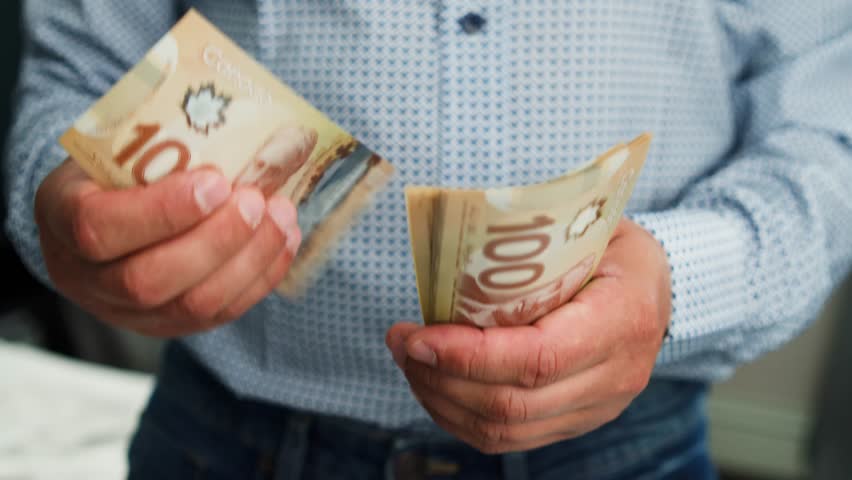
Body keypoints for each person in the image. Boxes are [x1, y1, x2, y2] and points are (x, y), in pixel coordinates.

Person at [5, 1, 852, 479]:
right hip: (225, 442)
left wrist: (676, 279)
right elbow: (78, 72)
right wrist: (64, 205)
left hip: (623, 453)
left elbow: (828, 125)